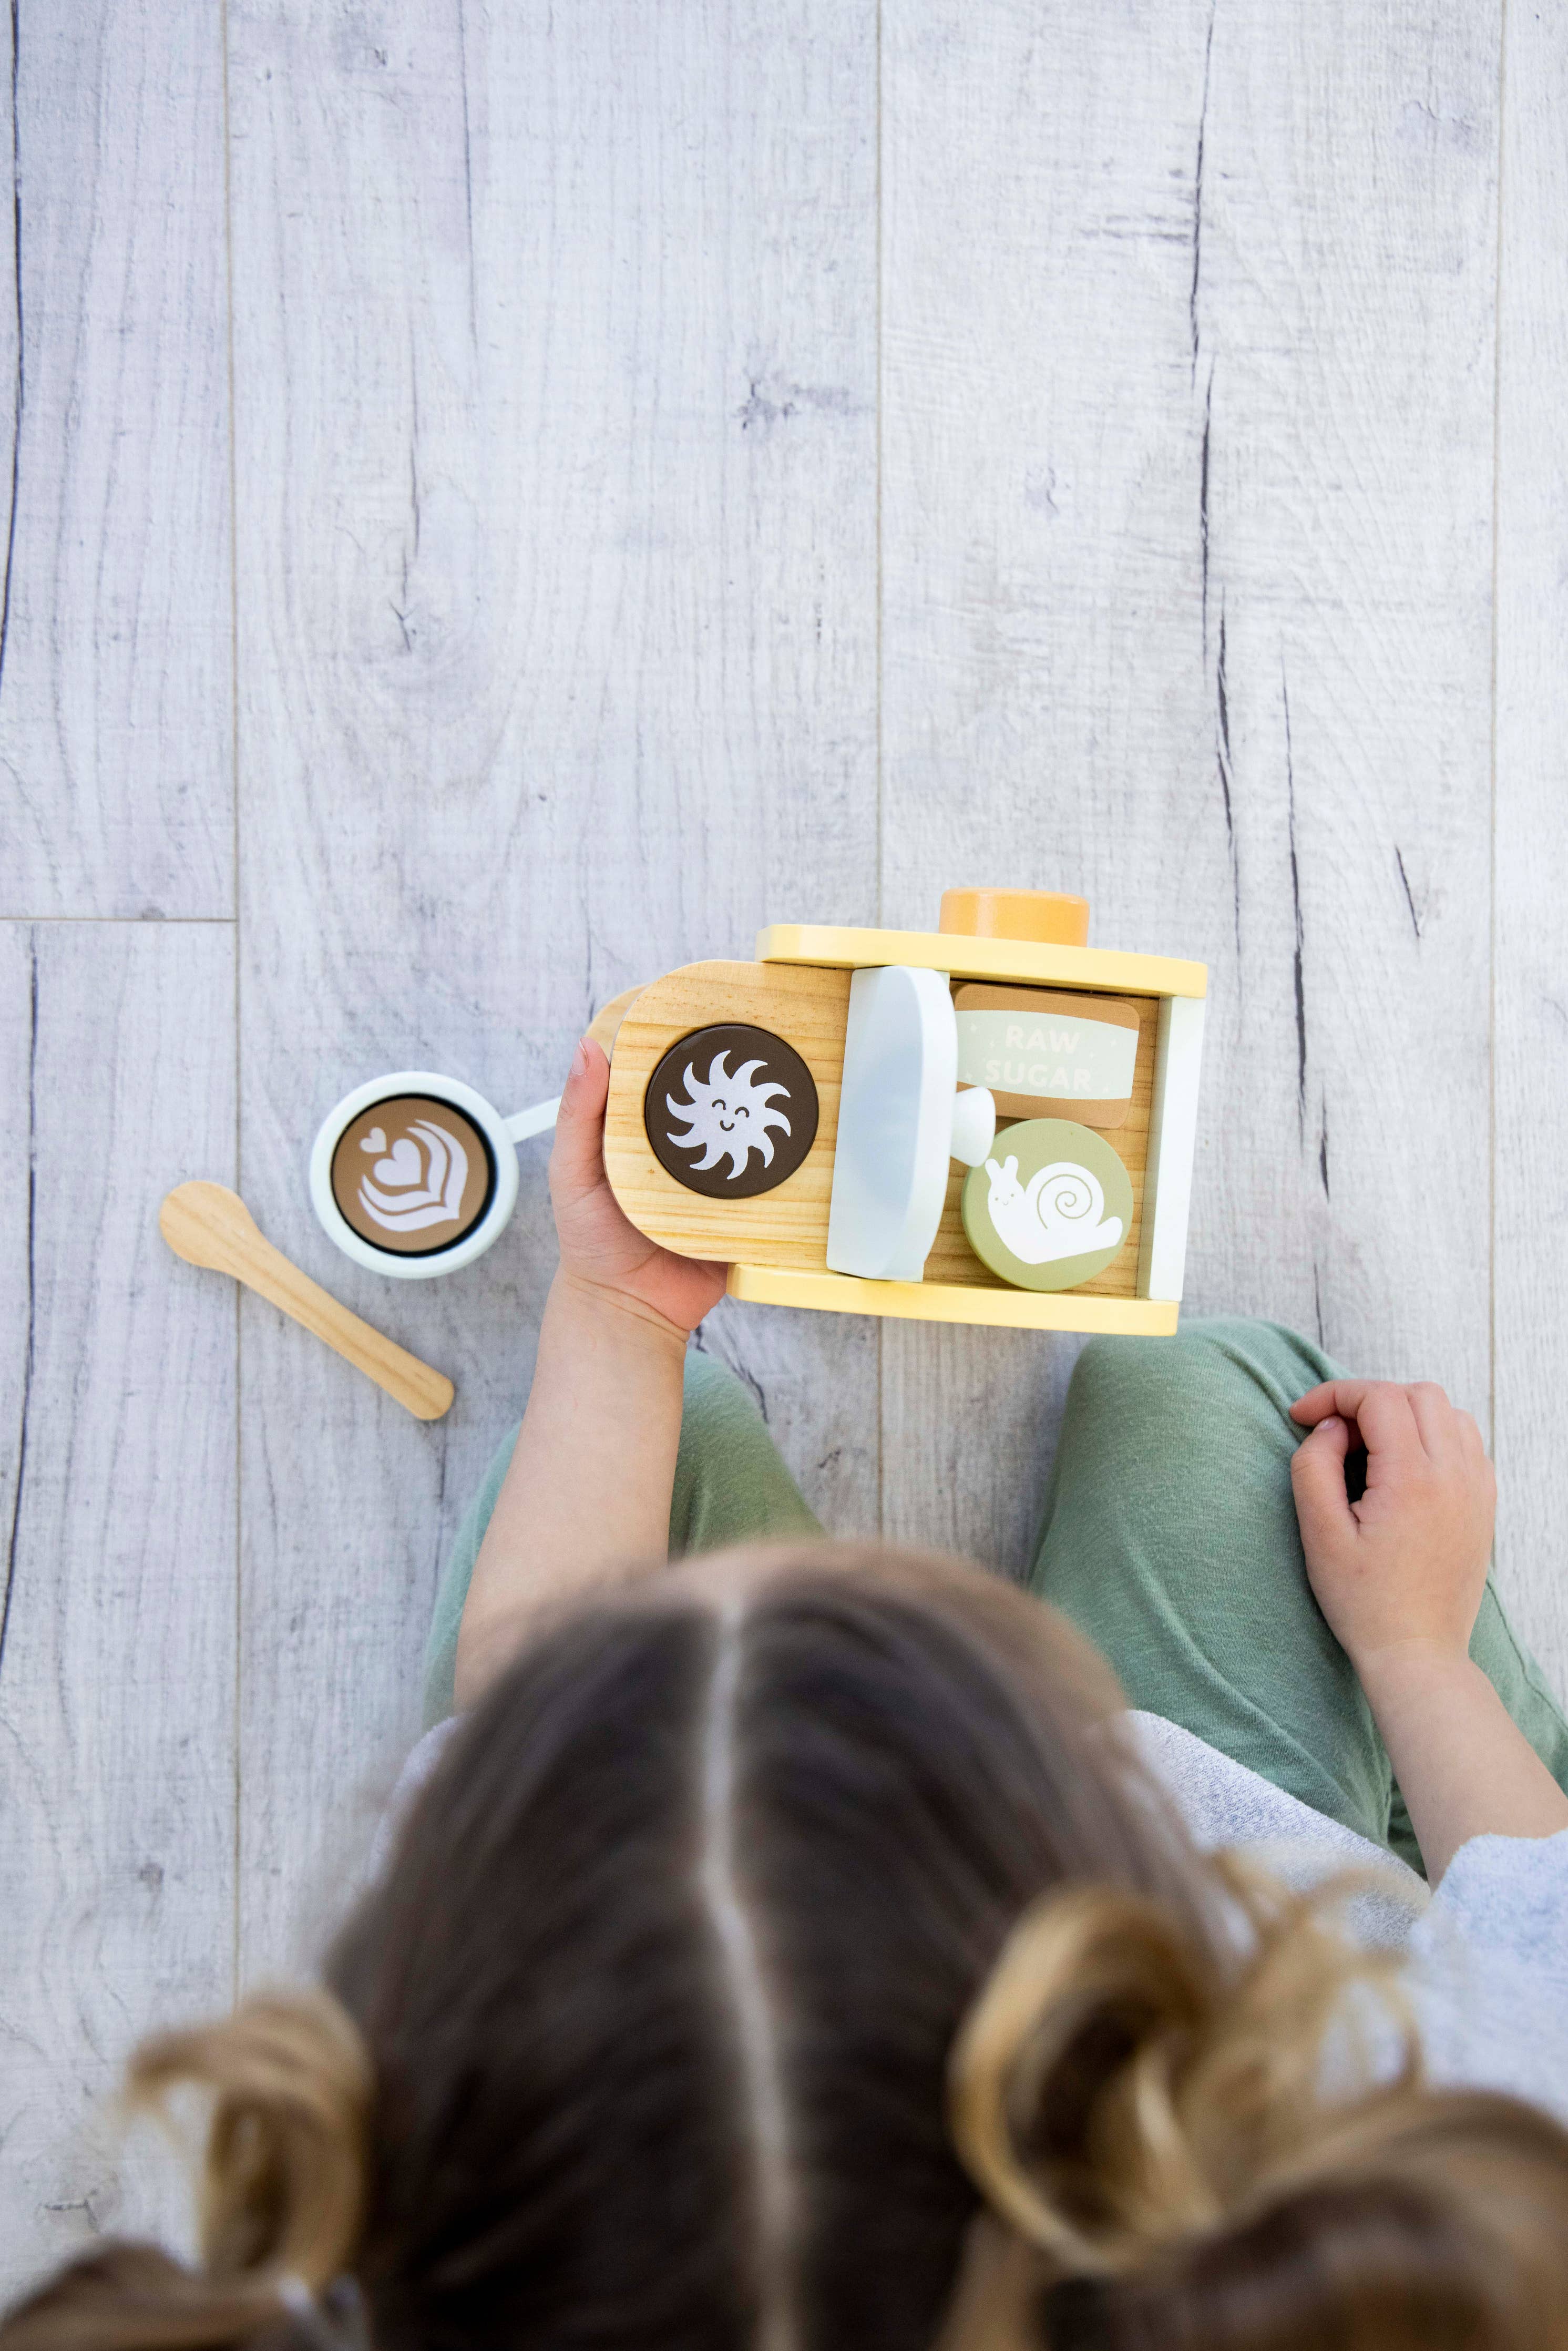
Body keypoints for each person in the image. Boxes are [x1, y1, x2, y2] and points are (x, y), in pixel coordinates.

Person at [7, 1035, 1568, 2351]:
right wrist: (1417, 1652)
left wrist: (618, 1327)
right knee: (1199, 1385)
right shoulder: (1436, 2130)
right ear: (1096, 1850)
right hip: (1336, 1911)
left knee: (651, 1417)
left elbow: (534, 1685)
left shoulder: (452, 2158)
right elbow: (1537, 1935)